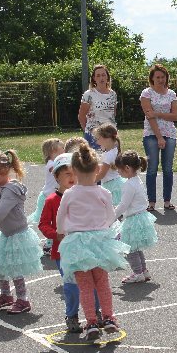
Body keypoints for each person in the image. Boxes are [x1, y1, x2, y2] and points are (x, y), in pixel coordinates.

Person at [57, 142, 130, 340]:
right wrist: (102, 229)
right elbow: (111, 216)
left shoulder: (69, 194)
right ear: (97, 169)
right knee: (102, 282)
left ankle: (91, 322)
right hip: (99, 242)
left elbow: (61, 217)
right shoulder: (103, 192)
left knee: (85, 285)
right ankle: (108, 317)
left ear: (73, 170)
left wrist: (62, 232)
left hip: (77, 243)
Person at [0, 149, 43, 314]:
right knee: (0, 266)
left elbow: (1, 211)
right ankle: (6, 295)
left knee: (15, 268)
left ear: (2, 171)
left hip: (18, 235)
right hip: (5, 235)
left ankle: (23, 299)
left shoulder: (12, 189)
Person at [38, 152, 99, 333]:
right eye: (67, 174)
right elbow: (43, 224)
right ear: (56, 176)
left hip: (85, 248)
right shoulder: (51, 200)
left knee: (93, 282)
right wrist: (56, 234)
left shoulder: (83, 196)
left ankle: (95, 314)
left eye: (74, 173)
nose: (72, 178)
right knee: (72, 285)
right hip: (63, 251)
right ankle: (72, 315)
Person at [140, 63, 177, 211]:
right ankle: (151, 202)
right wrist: (159, 137)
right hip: (151, 134)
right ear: (152, 78)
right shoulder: (147, 93)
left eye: (163, 77)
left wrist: (157, 113)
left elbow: (175, 116)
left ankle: (167, 201)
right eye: (157, 77)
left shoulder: (171, 94)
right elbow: (149, 116)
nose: (160, 80)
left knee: (168, 168)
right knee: (152, 167)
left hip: (170, 133)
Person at [115, 150, 158, 284]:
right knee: (136, 247)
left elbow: (123, 204)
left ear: (127, 168)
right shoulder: (136, 180)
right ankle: (143, 271)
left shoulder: (129, 184)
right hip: (140, 217)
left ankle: (137, 273)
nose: (118, 172)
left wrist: (112, 217)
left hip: (133, 219)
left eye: (119, 169)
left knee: (129, 248)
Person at [27, 138, 65, 256]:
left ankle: (51, 243)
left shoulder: (54, 162)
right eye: (62, 148)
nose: (64, 150)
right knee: (51, 222)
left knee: (56, 221)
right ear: (53, 151)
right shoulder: (51, 164)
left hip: (54, 196)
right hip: (48, 197)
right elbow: (56, 170)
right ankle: (49, 245)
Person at [79, 64, 117, 150]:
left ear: (107, 77)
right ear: (94, 78)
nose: (101, 78)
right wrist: (89, 132)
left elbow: (113, 114)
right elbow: (81, 116)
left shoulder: (113, 94)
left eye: (103, 75)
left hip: (110, 134)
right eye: (98, 76)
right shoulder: (89, 94)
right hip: (94, 136)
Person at [92, 123, 124, 206]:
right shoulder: (114, 150)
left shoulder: (108, 155)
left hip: (111, 186)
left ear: (106, 138)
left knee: (112, 209)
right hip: (115, 183)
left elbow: (102, 174)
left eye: (98, 139)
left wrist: (89, 182)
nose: (97, 142)